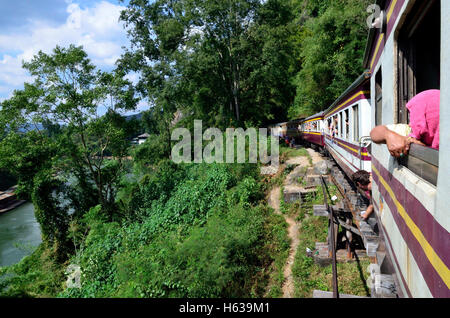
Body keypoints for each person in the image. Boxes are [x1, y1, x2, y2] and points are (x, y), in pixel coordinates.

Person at [370, 89, 440, 158]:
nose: (410, 123)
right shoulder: (409, 130)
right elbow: (374, 133)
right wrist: (389, 135)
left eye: (415, 116)